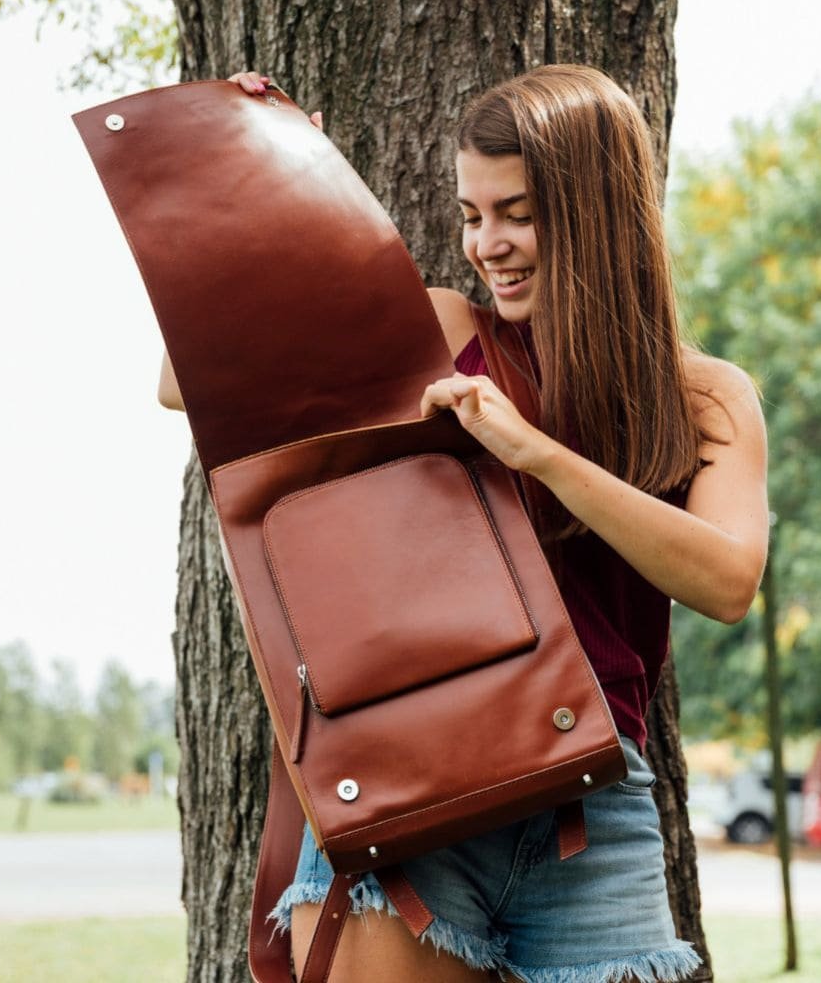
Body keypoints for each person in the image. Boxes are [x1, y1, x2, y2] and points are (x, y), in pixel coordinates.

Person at [158, 66, 768, 983]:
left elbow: (725, 580)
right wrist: (264, 190)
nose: (489, 245)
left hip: (597, 814)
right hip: (415, 787)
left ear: (596, 209)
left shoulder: (705, 397)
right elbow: (187, 383)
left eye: (517, 212)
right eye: (472, 214)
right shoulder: (442, 333)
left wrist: (539, 454)